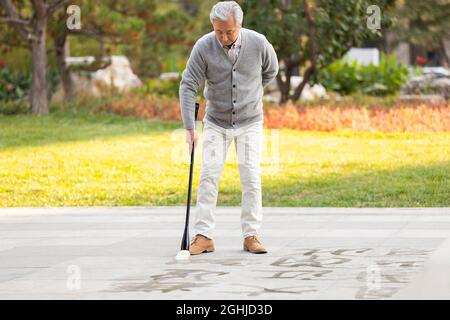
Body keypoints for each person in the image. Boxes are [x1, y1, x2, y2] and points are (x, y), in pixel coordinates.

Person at [179, 1, 279, 255]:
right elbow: (188, 84)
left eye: (229, 32)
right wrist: (189, 127)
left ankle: (251, 235)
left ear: (240, 25)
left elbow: (271, 70)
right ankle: (203, 236)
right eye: (218, 31)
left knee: (251, 178)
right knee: (209, 177)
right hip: (216, 122)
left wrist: (252, 92)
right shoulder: (203, 46)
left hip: (250, 122)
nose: (223, 37)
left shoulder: (258, 43)